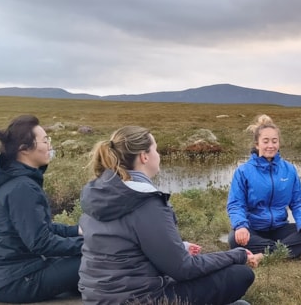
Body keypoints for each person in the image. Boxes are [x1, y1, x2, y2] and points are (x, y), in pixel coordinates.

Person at [78, 126, 261, 305]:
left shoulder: (102, 193)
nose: (158, 155)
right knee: (239, 274)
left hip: (97, 297)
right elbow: (183, 269)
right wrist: (238, 255)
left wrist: (179, 247)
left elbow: (123, 246)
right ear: (144, 156)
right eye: (156, 150)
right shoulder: (145, 202)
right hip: (139, 299)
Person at [0, 115, 83, 303]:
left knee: (83, 259)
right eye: (45, 140)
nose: (49, 145)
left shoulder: (19, 181)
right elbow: (41, 242)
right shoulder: (22, 187)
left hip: (13, 273)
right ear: (24, 149)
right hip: (14, 281)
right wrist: (91, 246)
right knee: (96, 259)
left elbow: (40, 227)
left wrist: (76, 231)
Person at [227, 114, 301, 258]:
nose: (270, 146)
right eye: (265, 141)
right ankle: (290, 251)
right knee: (235, 239)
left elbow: (297, 202)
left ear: (279, 143)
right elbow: (235, 205)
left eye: (274, 141)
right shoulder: (243, 171)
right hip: (253, 229)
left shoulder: (289, 170)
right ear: (257, 144)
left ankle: (263, 255)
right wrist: (240, 226)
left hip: (280, 228)